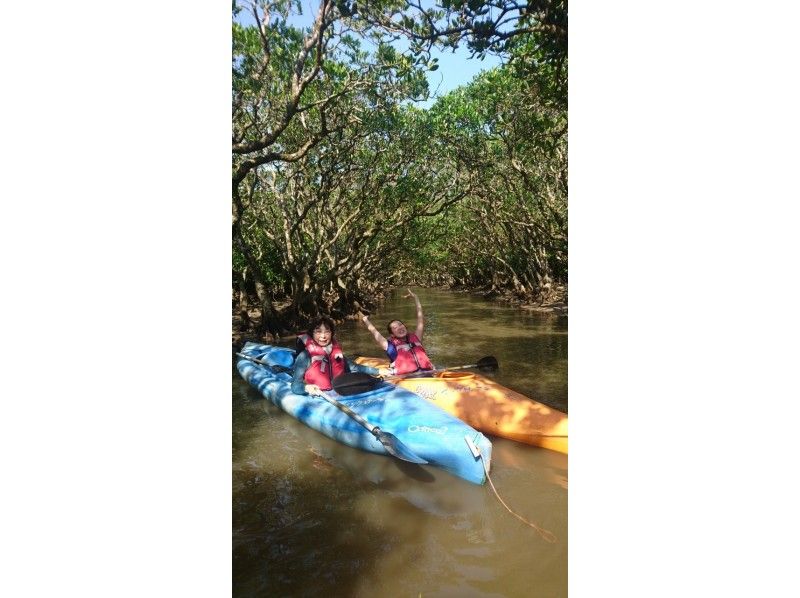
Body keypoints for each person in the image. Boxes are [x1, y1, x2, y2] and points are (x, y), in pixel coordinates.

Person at [292, 316, 389, 396]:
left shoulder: (337, 353)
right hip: (320, 395)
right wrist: (306, 388)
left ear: (332, 333)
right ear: (312, 334)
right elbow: (295, 386)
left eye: (327, 331)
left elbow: (355, 367)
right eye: (318, 332)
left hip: (341, 391)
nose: (323, 336)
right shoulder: (305, 356)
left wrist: (378, 371)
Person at [360, 289, 434, 375]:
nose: (399, 328)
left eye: (400, 324)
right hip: (408, 378)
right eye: (395, 328)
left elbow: (420, 318)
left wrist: (416, 298)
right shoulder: (390, 346)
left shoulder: (416, 337)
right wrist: (365, 320)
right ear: (392, 334)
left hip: (429, 373)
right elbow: (374, 332)